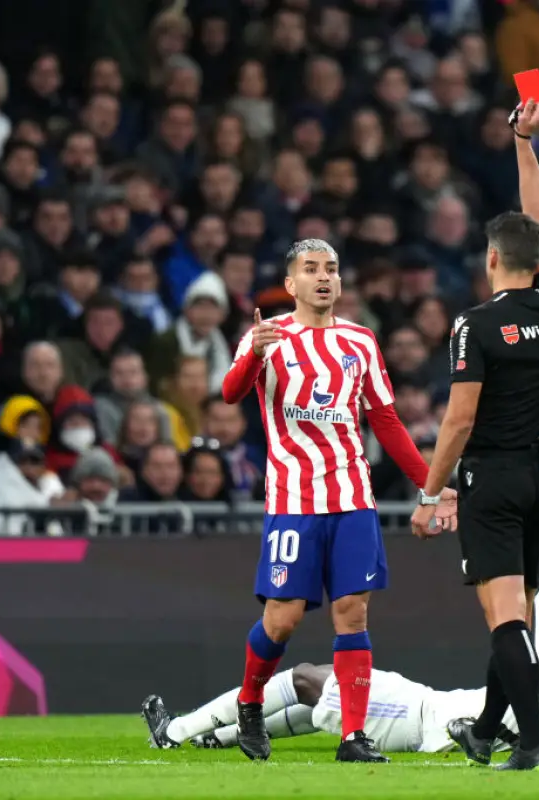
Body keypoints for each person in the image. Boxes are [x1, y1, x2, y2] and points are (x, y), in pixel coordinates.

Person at [143, 237, 458, 764]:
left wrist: (429, 484)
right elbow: (228, 393)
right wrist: (255, 355)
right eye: (311, 269)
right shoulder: (268, 336)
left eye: (331, 269)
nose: (323, 277)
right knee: (282, 620)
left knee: (353, 614)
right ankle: (248, 702)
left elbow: (385, 420)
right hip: (293, 500)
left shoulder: (360, 341)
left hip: (353, 497)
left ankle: (352, 737)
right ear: (291, 284)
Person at [142, 526, 539, 755]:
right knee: (325, 710)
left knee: (310, 679)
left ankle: (176, 732)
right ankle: (218, 737)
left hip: (425, 722)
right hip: (429, 714)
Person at [408, 100, 539, 772]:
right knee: (519, 610)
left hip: (494, 481)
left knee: (505, 617)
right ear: (538, 259)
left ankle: (530, 741)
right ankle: (484, 728)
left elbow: (459, 420)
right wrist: (524, 144)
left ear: (490, 258)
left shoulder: (475, 325)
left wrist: (429, 490)